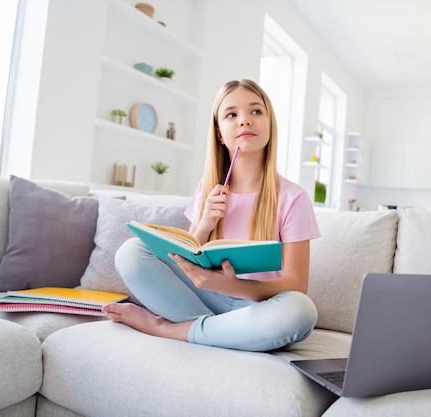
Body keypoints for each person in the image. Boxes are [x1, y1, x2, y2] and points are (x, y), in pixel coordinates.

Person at [102, 79, 320, 351]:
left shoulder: (293, 197)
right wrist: (204, 224)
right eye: (232, 114)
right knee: (130, 251)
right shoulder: (208, 190)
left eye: (255, 111)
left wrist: (232, 286)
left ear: (269, 124)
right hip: (209, 300)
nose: (244, 121)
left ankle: (165, 328)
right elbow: (185, 256)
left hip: (260, 307)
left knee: (301, 311)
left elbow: (296, 285)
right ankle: (222, 332)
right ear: (219, 133)